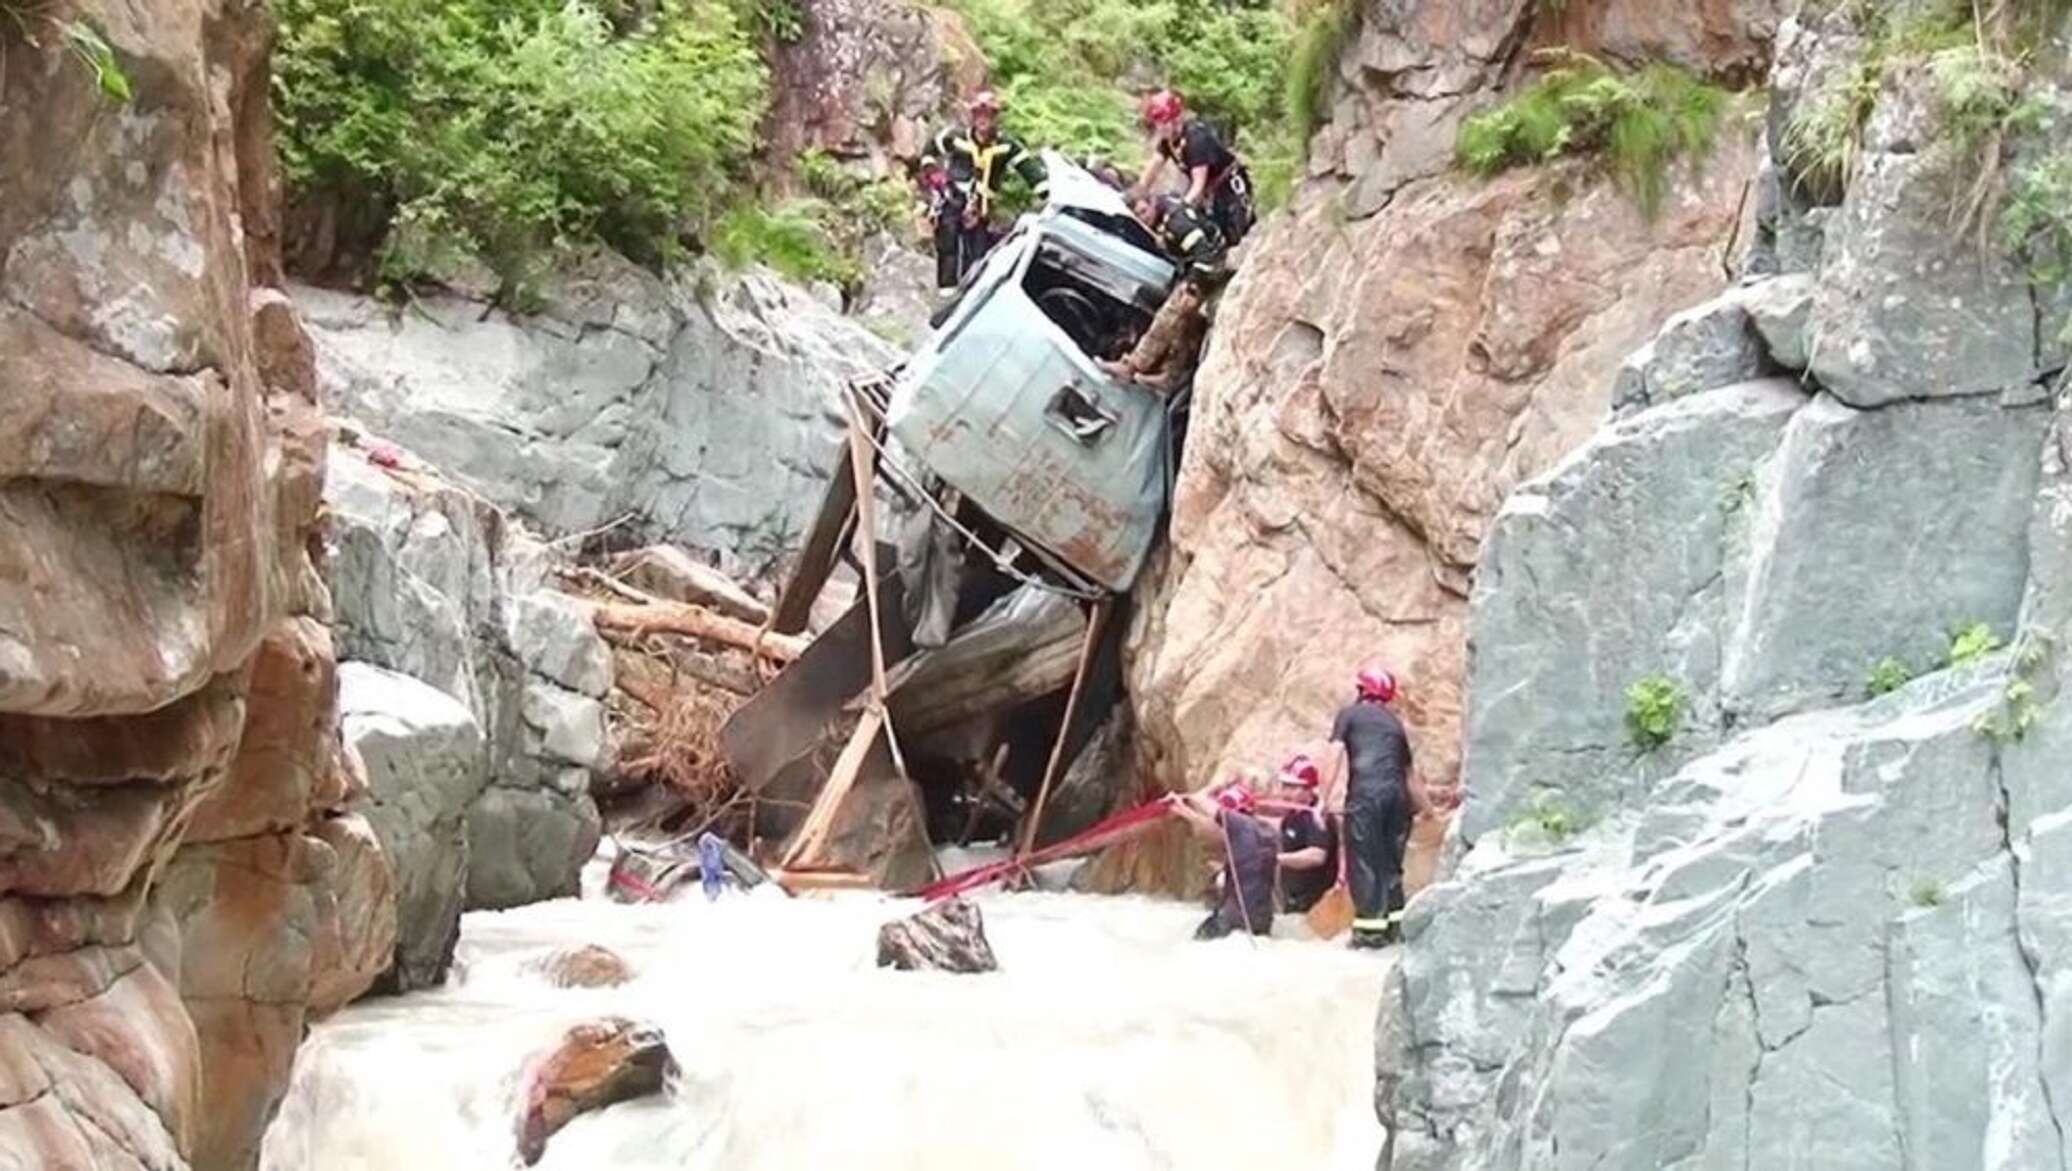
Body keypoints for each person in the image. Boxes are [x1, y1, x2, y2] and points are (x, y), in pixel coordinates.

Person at [1330, 662, 1436, 949]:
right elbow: (1410, 776)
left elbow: (1336, 756)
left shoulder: (1349, 716)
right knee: (1390, 865)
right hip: (1399, 802)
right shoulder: (1394, 725)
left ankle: (1369, 934)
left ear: (1362, 690)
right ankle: (1395, 929)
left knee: (1365, 863)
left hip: (1366, 796)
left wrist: (1324, 799)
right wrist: (1428, 811)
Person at [918, 90, 1050, 292]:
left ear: (995, 118)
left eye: (987, 115)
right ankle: (946, 292)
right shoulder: (956, 137)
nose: (983, 121)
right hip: (953, 199)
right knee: (948, 243)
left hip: (981, 208)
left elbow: (1030, 170)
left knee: (977, 255)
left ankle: (969, 295)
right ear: (973, 117)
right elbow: (929, 149)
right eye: (979, 115)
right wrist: (933, 172)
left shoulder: (1006, 146)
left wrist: (1048, 194)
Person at [1096, 194, 1222, 393]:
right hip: (1203, 267)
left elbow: (1206, 253)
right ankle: (1170, 375)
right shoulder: (1165, 219)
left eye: (1143, 211)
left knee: (1169, 315)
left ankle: (1132, 366)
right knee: (1184, 324)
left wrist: (1192, 286)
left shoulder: (1176, 223)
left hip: (1213, 266)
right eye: (1138, 216)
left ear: (1152, 203)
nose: (1143, 218)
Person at [1135, 89, 1255, 249]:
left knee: (1230, 235)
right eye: (1158, 124)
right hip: (1210, 191)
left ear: (1176, 119)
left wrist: (1181, 209)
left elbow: (1198, 184)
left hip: (1228, 190)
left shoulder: (1196, 139)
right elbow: (1153, 167)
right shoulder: (1168, 141)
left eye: (1164, 123)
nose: (1160, 128)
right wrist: (1137, 193)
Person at [1172, 780, 1276, 941]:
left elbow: (1203, 801)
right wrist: (1183, 810)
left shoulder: (1238, 825)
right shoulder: (1265, 831)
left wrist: (1202, 793)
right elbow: (1215, 829)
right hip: (1261, 919)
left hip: (1235, 919)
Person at [1270, 754, 1336, 913]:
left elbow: (1317, 855)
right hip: (1292, 900)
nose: (1286, 793)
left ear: (1309, 789)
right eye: (1284, 786)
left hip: (1313, 905)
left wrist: (1275, 859)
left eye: (1292, 787)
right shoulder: (1293, 815)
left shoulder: (1317, 817)